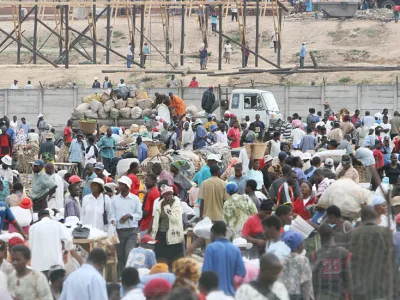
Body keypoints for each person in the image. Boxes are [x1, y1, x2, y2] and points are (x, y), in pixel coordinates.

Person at [346, 206, 400, 300]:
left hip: (358, 290)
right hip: (381, 289)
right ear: (375, 216)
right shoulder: (385, 233)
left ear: (362, 218)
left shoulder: (351, 234)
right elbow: (392, 263)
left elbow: (346, 262)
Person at [202, 221, 246, 296]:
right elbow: (242, 273)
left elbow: (205, 272)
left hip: (214, 295)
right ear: (225, 233)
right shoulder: (235, 249)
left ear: (212, 233)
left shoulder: (211, 248)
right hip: (231, 294)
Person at [310, 224, 353, 300]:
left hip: (322, 295)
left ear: (320, 236)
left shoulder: (315, 254)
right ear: (333, 234)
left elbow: (313, 278)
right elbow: (348, 276)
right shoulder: (344, 253)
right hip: (340, 294)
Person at [110, 176, 143, 271]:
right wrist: (112, 220)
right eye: (119, 184)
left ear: (127, 186)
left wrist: (129, 216)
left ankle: (130, 274)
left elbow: (139, 215)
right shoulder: (114, 199)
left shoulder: (135, 199)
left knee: (129, 253)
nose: (119, 186)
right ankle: (122, 275)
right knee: (120, 256)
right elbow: (112, 214)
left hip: (131, 231)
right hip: (119, 231)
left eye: (122, 184)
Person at [29, 208, 73, 273]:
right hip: (55, 263)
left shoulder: (32, 227)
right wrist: (66, 252)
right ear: (49, 216)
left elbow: (31, 246)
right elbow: (68, 240)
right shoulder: (59, 225)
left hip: (38, 265)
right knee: (56, 283)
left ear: (39, 218)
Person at [151, 185, 184, 267]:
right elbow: (155, 220)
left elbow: (175, 219)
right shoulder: (159, 204)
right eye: (166, 194)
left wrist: (167, 207)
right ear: (163, 195)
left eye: (170, 194)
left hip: (173, 236)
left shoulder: (177, 204)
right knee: (161, 259)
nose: (168, 196)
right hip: (161, 235)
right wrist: (152, 235)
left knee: (173, 260)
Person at [281, 231, 313, 300]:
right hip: (298, 296)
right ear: (299, 245)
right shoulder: (303, 260)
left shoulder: (281, 259)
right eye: (303, 242)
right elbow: (306, 282)